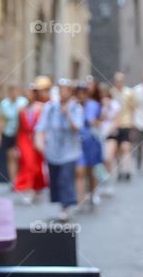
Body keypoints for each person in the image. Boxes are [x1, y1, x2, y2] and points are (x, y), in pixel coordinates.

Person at [36, 78, 84, 219]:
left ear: (70, 92)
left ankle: (66, 206)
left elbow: (77, 128)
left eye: (65, 90)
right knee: (55, 179)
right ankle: (62, 203)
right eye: (60, 89)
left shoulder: (76, 108)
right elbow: (41, 126)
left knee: (65, 178)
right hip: (53, 150)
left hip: (70, 151)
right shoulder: (50, 108)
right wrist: (39, 143)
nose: (63, 93)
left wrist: (67, 114)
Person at [14, 78, 50, 202]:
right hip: (25, 139)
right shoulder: (22, 109)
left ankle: (37, 188)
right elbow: (19, 127)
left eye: (31, 92)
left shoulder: (41, 107)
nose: (28, 95)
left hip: (37, 138)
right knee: (28, 164)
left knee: (37, 165)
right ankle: (28, 188)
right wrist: (17, 145)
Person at [76, 79, 103, 207]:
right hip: (77, 142)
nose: (81, 96)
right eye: (79, 93)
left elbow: (99, 121)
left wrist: (95, 122)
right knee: (80, 170)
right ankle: (80, 198)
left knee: (91, 170)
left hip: (91, 141)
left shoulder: (94, 105)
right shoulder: (74, 106)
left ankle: (93, 193)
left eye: (83, 93)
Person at [105, 71, 137, 182]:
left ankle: (127, 170)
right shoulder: (111, 93)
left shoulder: (129, 92)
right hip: (115, 124)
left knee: (126, 147)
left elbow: (133, 108)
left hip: (126, 123)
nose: (119, 82)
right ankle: (119, 170)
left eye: (121, 80)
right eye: (117, 80)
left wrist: (133, 123)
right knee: (116, 150)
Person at [0, 84, 27, 185]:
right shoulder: (4, 104)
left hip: (20, 134)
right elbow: (2, 120)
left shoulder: (23, 102)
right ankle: (13, 180)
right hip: (8, 133)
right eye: (11, 92)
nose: (13, 94)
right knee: (10, 156)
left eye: (15, 91)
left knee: (20, 157)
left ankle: (21, 179)